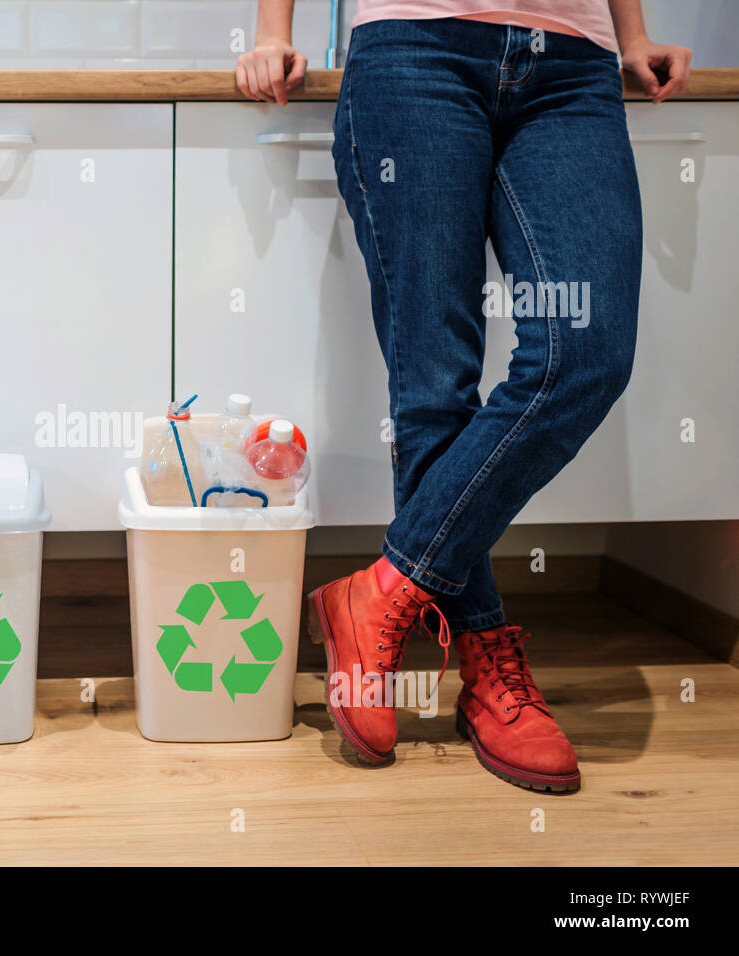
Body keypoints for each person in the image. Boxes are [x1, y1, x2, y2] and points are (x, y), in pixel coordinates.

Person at [237, 1, 691, 792]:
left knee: (585, 351)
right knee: (434, 387)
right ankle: (485, 664)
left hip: (572, 65)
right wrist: (274, 33)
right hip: (414, 48)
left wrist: (633, 34)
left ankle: (382, 592)